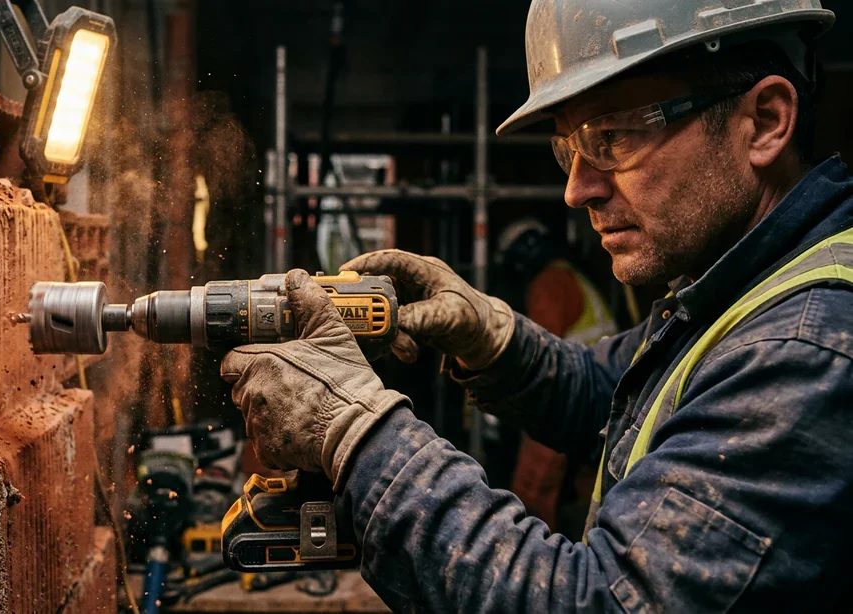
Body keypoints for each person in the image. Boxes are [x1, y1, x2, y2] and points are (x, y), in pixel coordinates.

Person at [222, 1, 853, 611]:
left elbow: (594, 602)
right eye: (569, 149)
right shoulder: (735, 290)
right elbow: (609, 394)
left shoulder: (805, 349)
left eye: (613, 138)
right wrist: (491, 339)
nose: (577, 190)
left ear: (766, 121)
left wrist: (356, 433)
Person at [493, 218, 617, 538]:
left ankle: (530, 555)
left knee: (536, 477)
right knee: (596, 486)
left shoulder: (549, 284)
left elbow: (538, 355)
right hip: (609, 398)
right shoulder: (571, 276)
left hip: (574, 393)